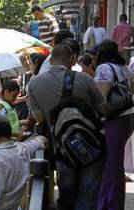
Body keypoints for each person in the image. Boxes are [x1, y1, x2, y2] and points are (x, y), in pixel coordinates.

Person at [28, 44, 108, 209]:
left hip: (62, 148)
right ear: (72, 59)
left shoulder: (34, 84)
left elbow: (40, 118)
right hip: (91, 145)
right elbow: (104, 110)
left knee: (67, 195)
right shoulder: (84, 79)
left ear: (51, 60)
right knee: (89, 194)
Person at [94, 40, 134, 210]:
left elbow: (101, 97)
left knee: (111, 164)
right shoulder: (123, 68)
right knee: (116, 164)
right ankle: (114, 202)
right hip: (127, 118)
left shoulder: (104, 69)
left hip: (114, 120)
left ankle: (108, 204)